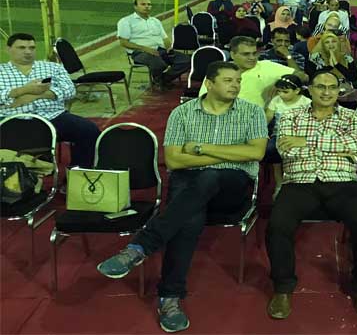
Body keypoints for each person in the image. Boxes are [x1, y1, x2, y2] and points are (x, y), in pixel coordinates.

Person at [96, 61, 268, 333]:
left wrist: (201, 149)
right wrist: (231, 152)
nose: (236, 85)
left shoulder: (252, 112)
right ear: (209, 83)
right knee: (188, 220)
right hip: (188, 180)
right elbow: (175, 160)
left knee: (208, 178)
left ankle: (140, 247)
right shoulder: (182, 113)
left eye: (238, 81)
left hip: (232, 184)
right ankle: (170, 297)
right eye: (228, 80)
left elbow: (256, 153)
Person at [267, 71, 357, 319]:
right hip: (299, 181)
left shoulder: (352, 117)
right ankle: (283, 287)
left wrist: (304, 141)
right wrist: (336, 146)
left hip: (342, 182)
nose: (326, 92)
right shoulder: (290, 115)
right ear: (310, 89)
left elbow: (355, 146)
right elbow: (286, 151)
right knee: (277, 225)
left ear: (339, 90)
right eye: (320, 87)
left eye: (332, 87)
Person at [0, 33, 100, 168]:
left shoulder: (53, 67)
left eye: (32, 48)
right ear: (8, 49)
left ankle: (78, 173)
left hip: (52, 116)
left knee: (89, 130)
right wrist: (23, 90)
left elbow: (70, 90)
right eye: (21, 48)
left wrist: (37, 96)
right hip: (11, 119)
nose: (28, 52)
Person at [199, 36, 298, 109]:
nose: (252, 58)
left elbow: (302, 76)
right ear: (233, 55)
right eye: (246, 54)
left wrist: (281, 82)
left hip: (254, 121)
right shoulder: (218, 71)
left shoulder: (266, 66)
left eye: (254, 53)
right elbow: (204, 101)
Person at [117, 0, 190, 88]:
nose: (147, 6)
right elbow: (123, 42)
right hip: (140, 53)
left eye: (149, 4)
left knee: (186, 60)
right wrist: (145, 49)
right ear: (135, 7)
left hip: (160, 51)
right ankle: (160, 81)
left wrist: (169, 48)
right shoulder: (126, 21)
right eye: (143, 4)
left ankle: (162, 80)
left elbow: (165, 38)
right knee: (159, 64)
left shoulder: (155, 21)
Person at [265, 74, 312, 196]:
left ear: (297, 90)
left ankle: (298, 180)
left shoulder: (307, 103)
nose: (281, 94)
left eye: (285, 92)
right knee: (271, 149)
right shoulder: (276, 100)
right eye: (279, 91)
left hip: (300, 136)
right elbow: (267, 118)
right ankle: (279, 182)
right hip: (279, 134)